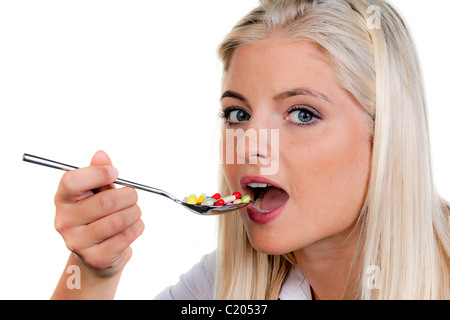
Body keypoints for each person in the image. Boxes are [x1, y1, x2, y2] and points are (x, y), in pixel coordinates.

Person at [51, 0, 449, 300]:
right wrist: (93, 272)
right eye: (238, 113)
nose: (252, 148)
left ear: (387, 136)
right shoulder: (227, 286)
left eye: (303, 114)